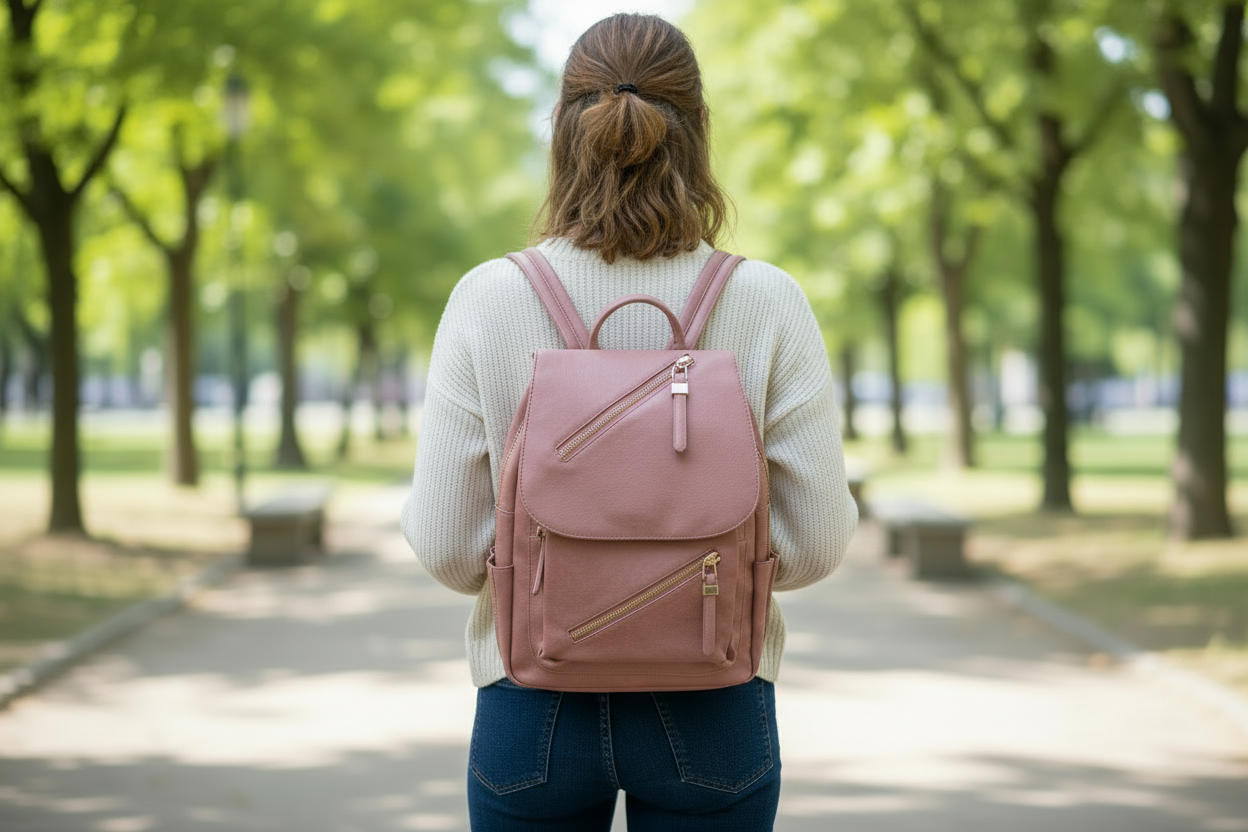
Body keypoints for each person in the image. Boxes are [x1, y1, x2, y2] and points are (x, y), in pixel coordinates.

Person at [401, 12, 858, 830]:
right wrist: (693, 570)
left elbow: (445, 547)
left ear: (562, 134)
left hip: (531, 704)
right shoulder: (767, 303)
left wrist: (557, 566)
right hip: (713, 702)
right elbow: (817, 542)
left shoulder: (488, 299)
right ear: (699, 132)